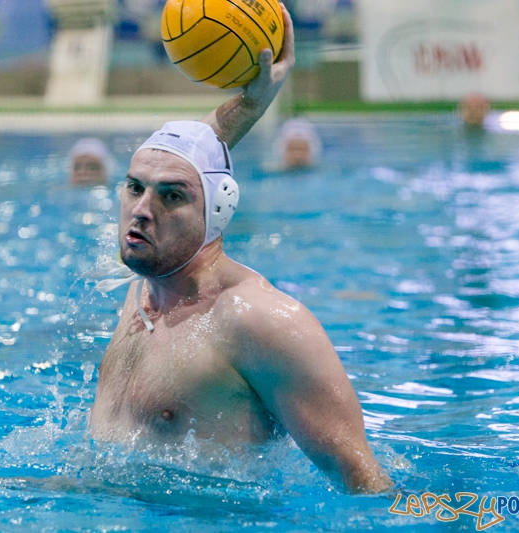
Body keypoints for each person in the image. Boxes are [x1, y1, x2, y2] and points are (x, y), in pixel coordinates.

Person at [90, 4, 392, 494]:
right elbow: (190, 163)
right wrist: (250, 104)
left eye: (171, 197)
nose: (142, 209)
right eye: (133, 187)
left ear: (218, 213)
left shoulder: (260, 322)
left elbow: (363, 480)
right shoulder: (147, 291)